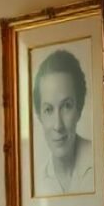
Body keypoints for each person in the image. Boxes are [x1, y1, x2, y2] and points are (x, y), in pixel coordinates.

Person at [33, 49, 94, 196]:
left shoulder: (102, 163)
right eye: (48, 109)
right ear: (39, 115)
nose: (58, 125)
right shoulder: (36, 183)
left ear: (79, 109)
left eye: (67, 106)